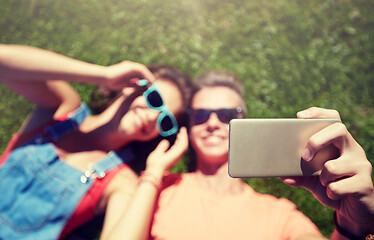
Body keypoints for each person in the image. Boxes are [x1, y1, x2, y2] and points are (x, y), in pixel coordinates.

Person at [108, 70, 374, 240]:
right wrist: (153, 172)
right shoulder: (155, 190)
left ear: (243, 122)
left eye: (226, 116)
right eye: (200, 116)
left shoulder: (278, 214)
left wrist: (353, 224)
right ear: (188, 125)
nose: (212, 123)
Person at [0, 44, 191, 240]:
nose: (153, 117)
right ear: (134, 85)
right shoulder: (63, 109)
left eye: (166, 120)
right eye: (154, 99)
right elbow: (3, 60)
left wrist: (154, 172)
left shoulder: (120, 182)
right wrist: (102, 75)